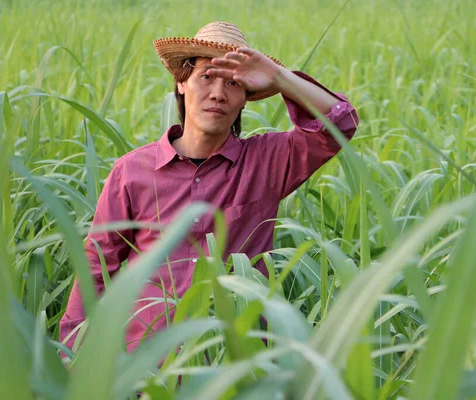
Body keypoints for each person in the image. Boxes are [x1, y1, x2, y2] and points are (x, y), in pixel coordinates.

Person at [59, 21, 359, 354]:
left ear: (245, 99)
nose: (218, 93)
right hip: (146, 366)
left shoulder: (266, 162)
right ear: (181, 83)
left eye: (233, 83)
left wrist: (279, 77)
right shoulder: (132, 172)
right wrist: (72, 358)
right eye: (206, 77)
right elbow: (97, 268)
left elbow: (339, 124)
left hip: (234, 366)